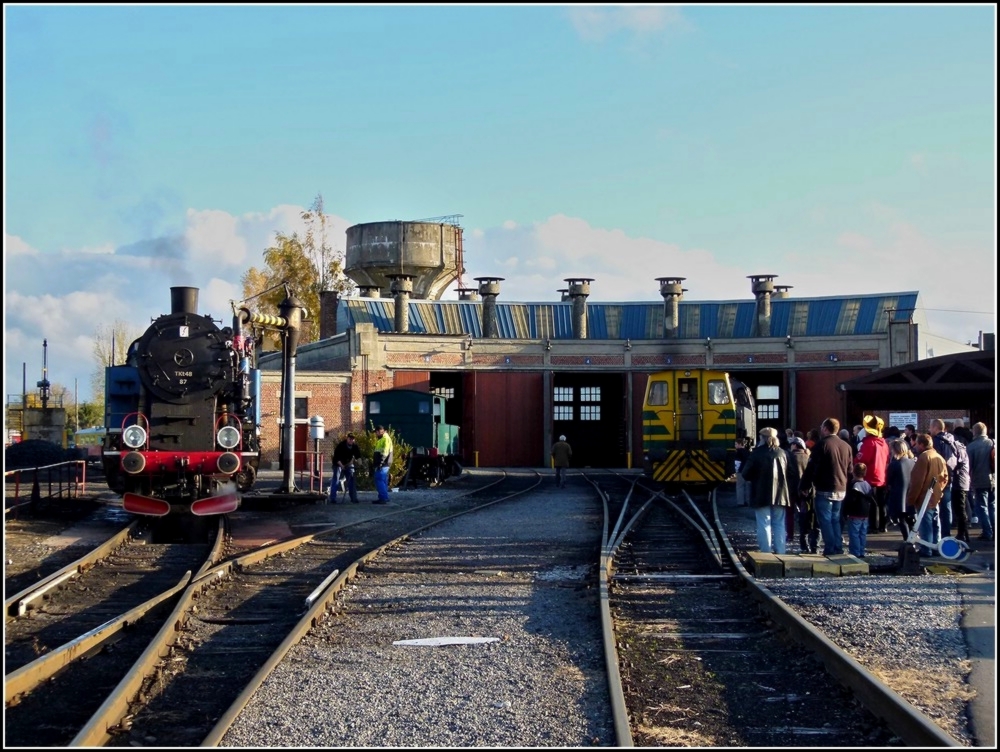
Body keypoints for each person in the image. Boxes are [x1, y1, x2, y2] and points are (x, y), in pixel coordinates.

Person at [801, 418, 853, 556]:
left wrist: (805, 485)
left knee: (825, 520)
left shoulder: (821, 445)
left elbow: (811, 468)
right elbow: (850, 470)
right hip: (841, 487)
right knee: (835, 519)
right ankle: (838, 547)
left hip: (825, 487)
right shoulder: (846, 446)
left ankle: (830, 548)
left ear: (825, 428)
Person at [739, 427, 791, 555]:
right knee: (779, 523)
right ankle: (781, 551)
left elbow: (745, 474)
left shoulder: (756, 454)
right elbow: (791, 473)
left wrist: (755, 477)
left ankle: (766, 552)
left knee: (764, 523)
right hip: (781, 494)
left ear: (762, 438)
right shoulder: (784, 453)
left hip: (761, 493)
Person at [906, 433, 950, 557]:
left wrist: (911, 500)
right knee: (936, 522)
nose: (915, 446)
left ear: (921, 444)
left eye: (917, 444)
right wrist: (938, 490)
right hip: (935, 495)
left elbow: (917, 481)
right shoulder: (939, 457)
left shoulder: (924, 458)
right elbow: (945, 477)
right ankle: (936, 547)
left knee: (926, 523)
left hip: (924, 497)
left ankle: (926, 548)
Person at [855, 414, 889, 533]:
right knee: (881, 503)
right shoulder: (883, 443)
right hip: (882, 476)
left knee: (873, 504)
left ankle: (873, 526)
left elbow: (861, 459)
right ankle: (883, 525)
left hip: (871, 477)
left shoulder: (869, 443)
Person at [786, 436, 817, 553]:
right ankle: (805, 536)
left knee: (789, 513)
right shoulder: (807, 457)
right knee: (805, 514)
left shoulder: (789, 457)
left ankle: (790, 534)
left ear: (795, 445)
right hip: (806, 489)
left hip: (791, 488)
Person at [929, 419, 959, 539]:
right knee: (947, 506)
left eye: (931, 428)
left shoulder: (936, 442)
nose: (930, 430)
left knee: (934, 506)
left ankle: (936, 534)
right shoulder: (952, 440)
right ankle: (947, 532)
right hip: (950, 476)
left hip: (938, 478)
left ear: (936, 428)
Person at [966, 422, 995, 541]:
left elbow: (969, 467)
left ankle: (987, 532)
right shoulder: (993, 443)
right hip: (993, 479)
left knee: (981, 507)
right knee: (992, 505)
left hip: (979, 480)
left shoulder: (971, 447)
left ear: (974, 432)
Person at [885, 439, 916, 541]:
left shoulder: (895, 464)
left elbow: (889, 480)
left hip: (898, 495)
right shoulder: (913, 462)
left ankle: (907, 541)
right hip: (911, 494)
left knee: (902, 520)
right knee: (911, 519)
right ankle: (913, 539)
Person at [844, 463, 874, 557]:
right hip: (865, 513)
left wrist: (845, 511)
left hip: (855, 513)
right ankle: (861, 551)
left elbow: (850, 501)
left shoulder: (854, 485)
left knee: (854, 534)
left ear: (854, 472)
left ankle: (855, 552)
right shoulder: (867, 485)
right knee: (862, 533)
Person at [329, 432, 362, 504]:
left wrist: (360, 464)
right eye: (350, 439)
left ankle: (353, 498)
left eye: (353, 439)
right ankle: (333, 498)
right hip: (338, 463)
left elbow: (358, 456)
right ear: (347, 438)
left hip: (348, 463)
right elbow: (336, 458)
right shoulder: (341, 445)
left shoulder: (355, 446)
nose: (351, 440)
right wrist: (342, 466)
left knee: (352, 480)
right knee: (336, 479)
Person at [372, 425, 394, 504]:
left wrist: (380, 463)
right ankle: (384, 497)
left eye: (376, 432)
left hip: (383, 464)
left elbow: (385, 452)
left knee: (379, 479)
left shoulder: (385, 439)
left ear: (379, 431)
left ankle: (383, 498)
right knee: (383, 480)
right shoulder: (383, 438)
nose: (375, 434)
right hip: (385, 463)